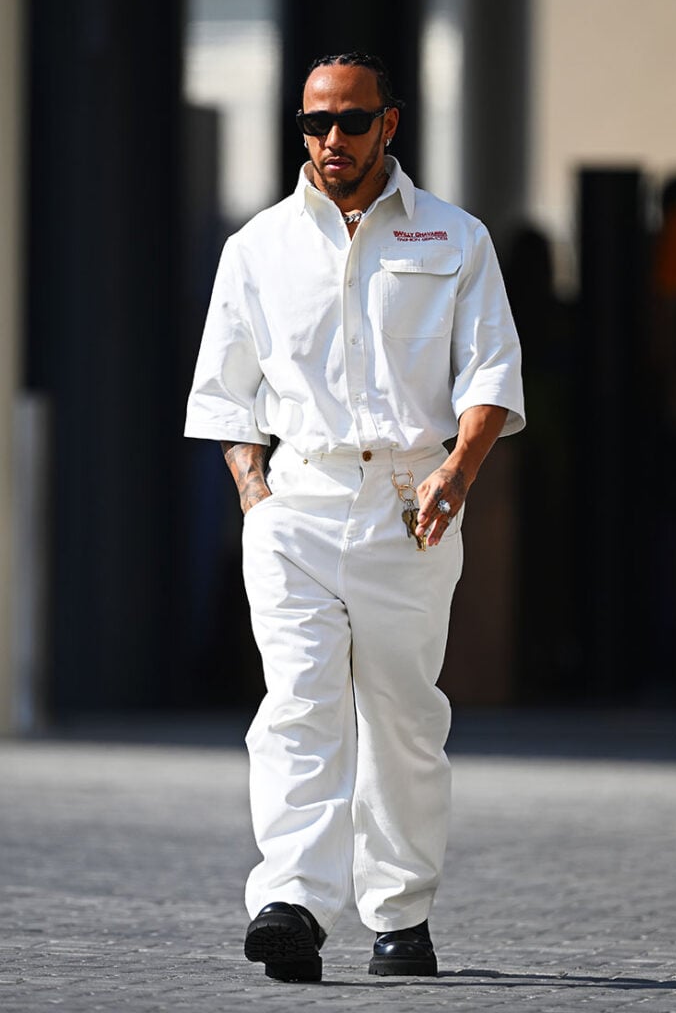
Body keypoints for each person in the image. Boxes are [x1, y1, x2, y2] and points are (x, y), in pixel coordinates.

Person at [184, 51, 525, 981]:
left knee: (404, 718)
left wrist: (456, 473)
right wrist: (256, 495)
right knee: (297, 704)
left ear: (390, 124)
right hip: (294, 504)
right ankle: (290, 901)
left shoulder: (455, 240)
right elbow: (225, 394)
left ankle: (401, 916)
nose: (331, 140)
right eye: (313, 123)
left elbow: (491, 374)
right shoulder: (257, 247)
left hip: (408, 505)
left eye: (349, 121)